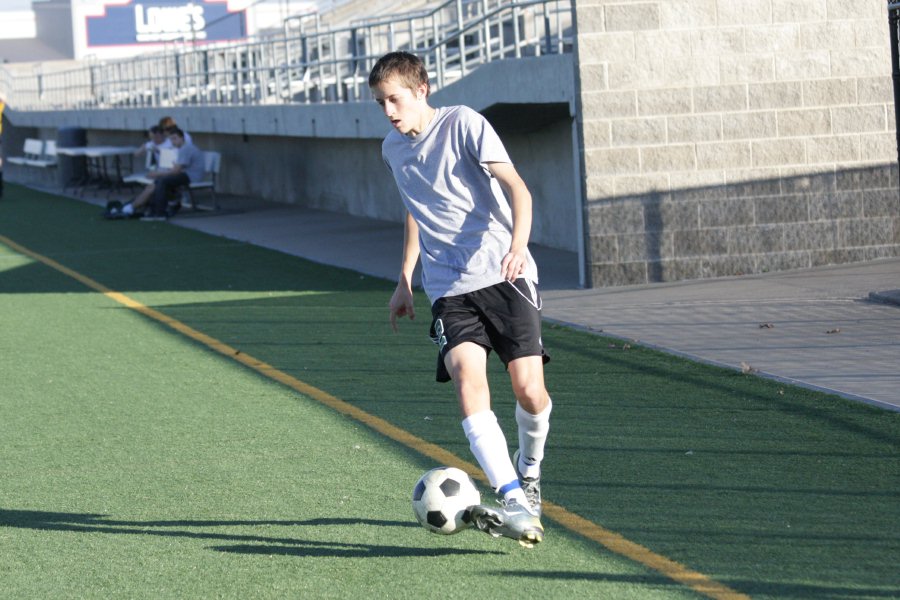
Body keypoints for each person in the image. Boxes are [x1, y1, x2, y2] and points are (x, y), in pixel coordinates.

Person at [369, 51, 552, 548]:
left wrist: (517, 246)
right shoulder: (392, 149)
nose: (388, 110)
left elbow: (518, 189)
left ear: (422, 88)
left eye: (395, 99)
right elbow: (416, 210)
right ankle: (512, 495)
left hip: (503, 274)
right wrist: (405, 277)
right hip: (448, 287)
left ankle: (528, 469)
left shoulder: (465, 123)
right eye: (381, 102)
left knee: (528, 390)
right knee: (468, 378)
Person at [107, 128, 204, 220]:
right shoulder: (181, 148)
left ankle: (158, 212)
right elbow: (176, 168)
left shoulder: (186, 148)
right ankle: (130, 208)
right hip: (184, 175)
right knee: (154, 184)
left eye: (175, 138)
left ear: (182, 138)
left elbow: (176, 171)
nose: (173, 141)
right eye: (171, 139)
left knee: (161, 182)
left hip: (191, 177)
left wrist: (157, 173)